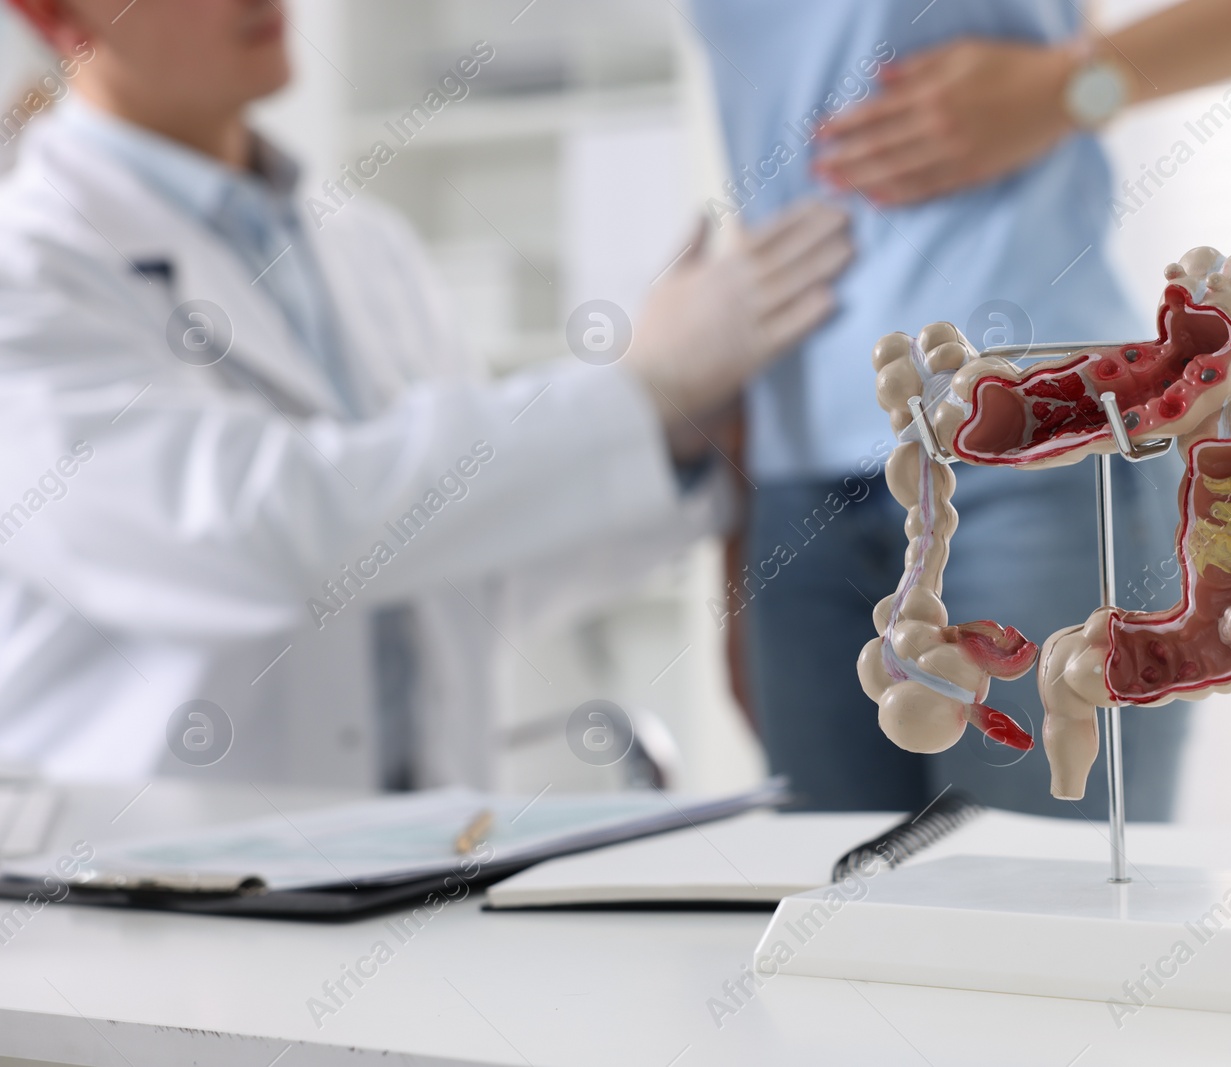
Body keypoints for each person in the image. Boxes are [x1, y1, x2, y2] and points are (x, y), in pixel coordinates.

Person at [0, 0, 852, 787]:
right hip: (147, 901)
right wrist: (639, 389)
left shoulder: (366, 246)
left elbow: (465, 562)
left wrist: (673, 437)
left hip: (411, 861)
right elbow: (257, 531)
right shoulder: (30, 269)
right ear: (53, 12)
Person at [688, 0, 1231, 816]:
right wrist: (734, 508)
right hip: (792, 470)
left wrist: (1070, 88)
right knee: (837, 914)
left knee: (1062, 910)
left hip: (1045, 448)